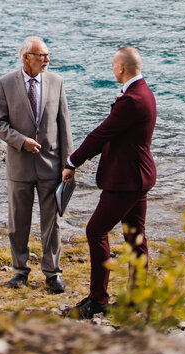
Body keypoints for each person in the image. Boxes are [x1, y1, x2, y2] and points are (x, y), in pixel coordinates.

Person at [61, 46, 157, 320]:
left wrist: (72, 162)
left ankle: (98, 299)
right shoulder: (145, 93)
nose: (112, 69)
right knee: (135, 237)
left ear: (121, 68)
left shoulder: (132, 101)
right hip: (138, 176)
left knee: (95, 231)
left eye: (113, 65)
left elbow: (101, 133)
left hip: (125, 180)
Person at [0, 36, 73, 293]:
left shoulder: (57, 82)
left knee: (52, 222)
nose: (47, 59)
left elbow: (64, 124)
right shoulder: (5, 84)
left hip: (51, 164)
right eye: (41, 55)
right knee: (18, 221)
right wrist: (20, 140)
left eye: (47, 55)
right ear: (25, 57)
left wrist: (69, 163)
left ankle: (53, 273)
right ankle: (19, 271)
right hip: (20, 165)